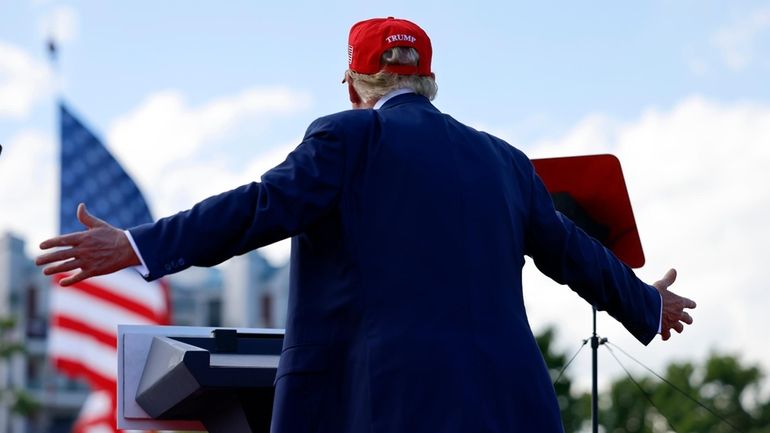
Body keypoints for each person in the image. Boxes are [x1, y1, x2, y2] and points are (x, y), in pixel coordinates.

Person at [37, 17, 696, 433]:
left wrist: (135, 243)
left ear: (352, 86)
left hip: (386, 403)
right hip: (511, 406)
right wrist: (647, 301)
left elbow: (257, 208)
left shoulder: (348, 138)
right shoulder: (505, 163)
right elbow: (575, 253)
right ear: (431, 81)